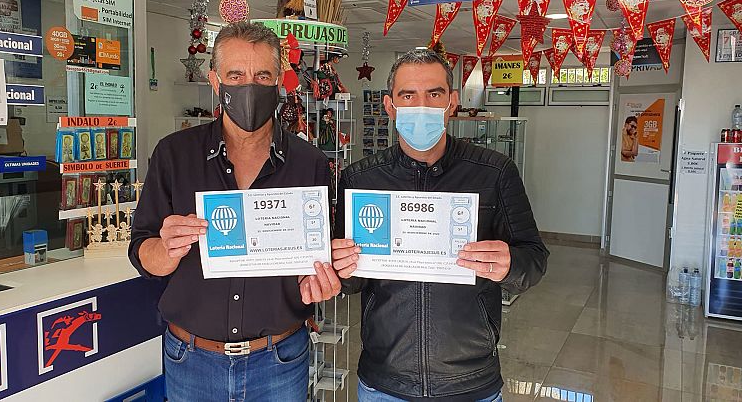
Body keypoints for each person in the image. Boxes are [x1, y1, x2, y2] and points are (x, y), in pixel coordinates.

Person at [129, 21, 341, 402]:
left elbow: (324, 255)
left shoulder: (309, 163)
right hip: (191, 361)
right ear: (215, 80)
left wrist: (326, 279)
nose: (249, 87)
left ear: (280, 80)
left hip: (280, 360)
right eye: (235, 75)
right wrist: (167, 250)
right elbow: (143, 253)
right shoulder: (174, 155)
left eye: (262, 75)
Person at [332, 50, 549, 402]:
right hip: (385, 381)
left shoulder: (494, 172)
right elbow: (353, 279)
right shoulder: (361, 178)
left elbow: (535, 261)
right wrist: (339, 268)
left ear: (452, 103)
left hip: (470, 381)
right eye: (408, 95)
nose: (422, 106)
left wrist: (511, 263)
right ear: (390, 106)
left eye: (433, 94)